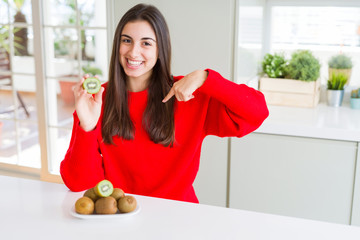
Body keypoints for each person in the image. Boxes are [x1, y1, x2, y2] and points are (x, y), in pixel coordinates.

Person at [60, 3, 269, 203]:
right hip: (120, 217)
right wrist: (87, 127)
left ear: (161, 49)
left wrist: (205, 78)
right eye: (126, 41)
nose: (133, 52)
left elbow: (256, 112)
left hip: (178, 218)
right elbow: (79, 183)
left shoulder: (188, 95)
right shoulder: (96, 101)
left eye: (146, 43)